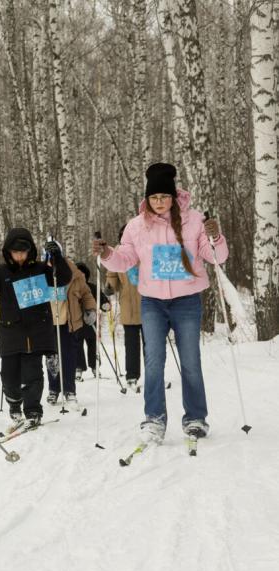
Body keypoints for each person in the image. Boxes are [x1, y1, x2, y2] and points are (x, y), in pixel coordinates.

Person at [92, 162, 227, 442]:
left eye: (164, 197)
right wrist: (107, 253)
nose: (160, 202)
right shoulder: (136, 226)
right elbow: (124, 259)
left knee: (190, 361)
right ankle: (154, 419)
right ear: (147, 199)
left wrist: (215, 237)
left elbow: (216, 257)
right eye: (154, 198)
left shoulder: (194, 221)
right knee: (153, 361)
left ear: (174, 197)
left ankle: (196, 418)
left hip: (187, 300)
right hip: (153, 301)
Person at [0, 227, 72, 427]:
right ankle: (14, 403)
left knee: (32, 374)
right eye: (15, 252)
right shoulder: (0, 271)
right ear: (8, 252)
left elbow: (63, 278)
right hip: (11, 331)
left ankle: (33, 410)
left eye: (23, 252)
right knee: (9, 375)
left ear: (30, 251)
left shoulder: (41, 269)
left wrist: (57, 257)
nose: (19, 256)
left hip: (36, 330)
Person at [44, 246, 96, 410]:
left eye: (54, 255)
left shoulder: (74, 271)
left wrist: (90, 309)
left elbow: (86, 293)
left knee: (68, 357)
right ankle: (53, 389)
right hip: (48, 322)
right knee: (52, 358)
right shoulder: (40, 270)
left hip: (69, 321)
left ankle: (69, 390)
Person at [104, 229, 144, 392]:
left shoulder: (145, 250)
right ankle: (132, 376)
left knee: (152, 345)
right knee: (131, 345)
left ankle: (156, 375)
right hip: (129, 308)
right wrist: (109, 288)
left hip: (150, 307)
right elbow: (112, 276)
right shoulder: (117, 254)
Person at [73, 262, 99, 381]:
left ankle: (95, 366)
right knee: (77, 345)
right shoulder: (73, 288)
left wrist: (105, 304)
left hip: (90, 321)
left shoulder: (92, 287)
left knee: (92, 344)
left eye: (83, 274)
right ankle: (78, 367)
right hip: (77, 322)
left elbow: (101, 297)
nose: (81, 276)